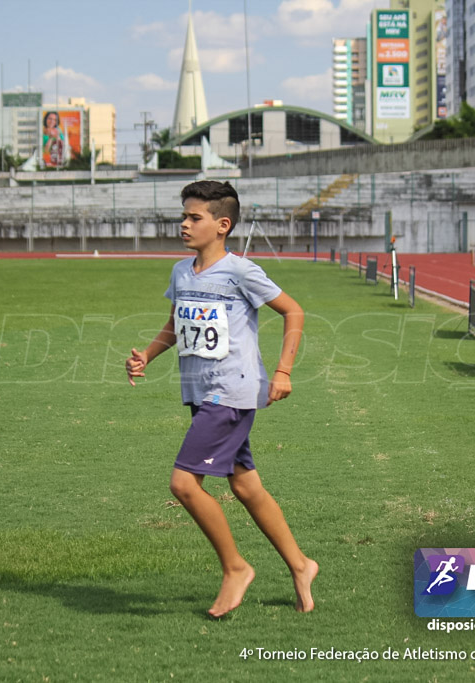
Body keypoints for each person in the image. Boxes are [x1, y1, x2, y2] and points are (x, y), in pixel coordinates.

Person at [125, 180, 318, 618]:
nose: (184, 224)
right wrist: (147, 357)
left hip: (231, 391)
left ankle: (235, 568)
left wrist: (284, 371)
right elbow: (177, 324)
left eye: (195, 217)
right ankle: (301, 565)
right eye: (184, 216)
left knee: (183, 483)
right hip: (200, 391)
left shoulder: (240, 271)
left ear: (222, 224)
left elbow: (294, 310)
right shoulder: (181, 271)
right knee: (246, 485)